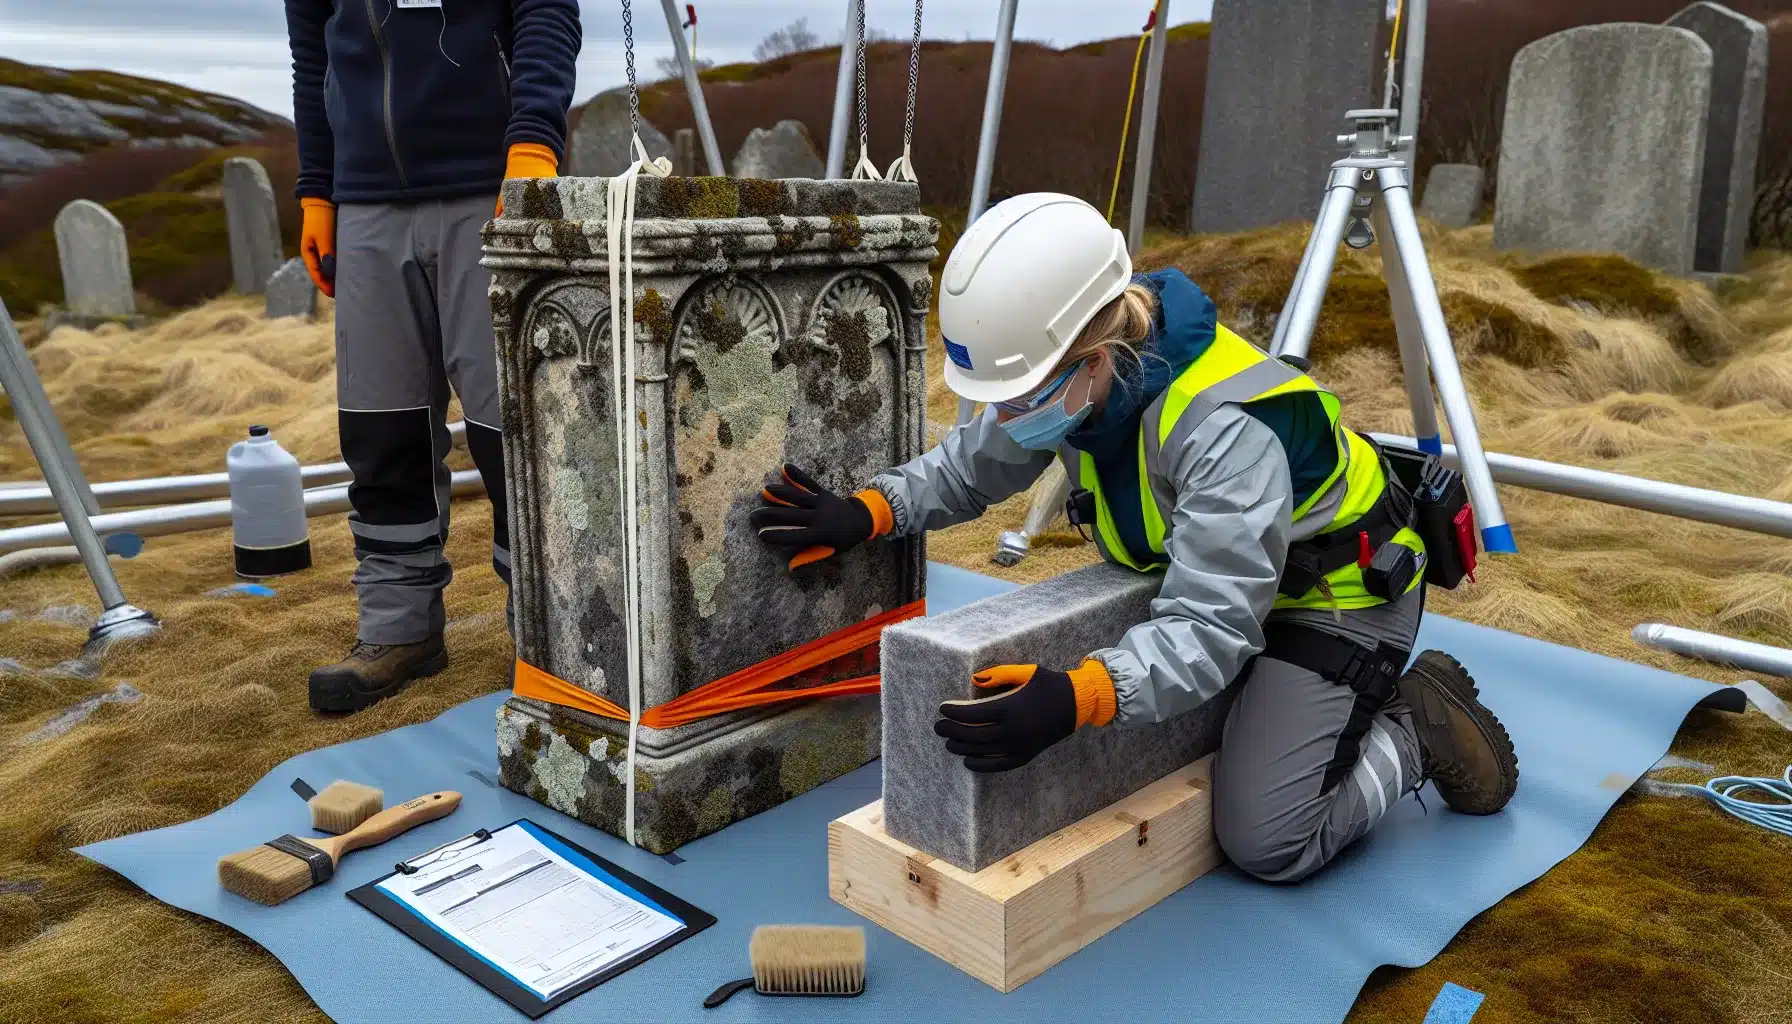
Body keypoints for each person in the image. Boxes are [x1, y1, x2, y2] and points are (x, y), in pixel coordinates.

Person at [748, 193, 1519, 883]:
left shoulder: (1222, 432)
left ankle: (1416, 729)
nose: (1005, 419)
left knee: (1268, 837)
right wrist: (871, 511)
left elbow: (1212, 627)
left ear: (1093, 361)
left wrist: (1082, 696)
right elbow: (977, 462)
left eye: (1016, 398)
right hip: (1235, 577)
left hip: (1335, 596)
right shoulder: (1084, 376)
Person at [285, 0, 580, 712]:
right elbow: (313, 55)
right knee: (380, 428)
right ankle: (399, 628)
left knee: (513, 430)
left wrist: (533, 143)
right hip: (363, 200)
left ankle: (547, 635)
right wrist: (317, 189)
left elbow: (546, 10)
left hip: (490, 185)